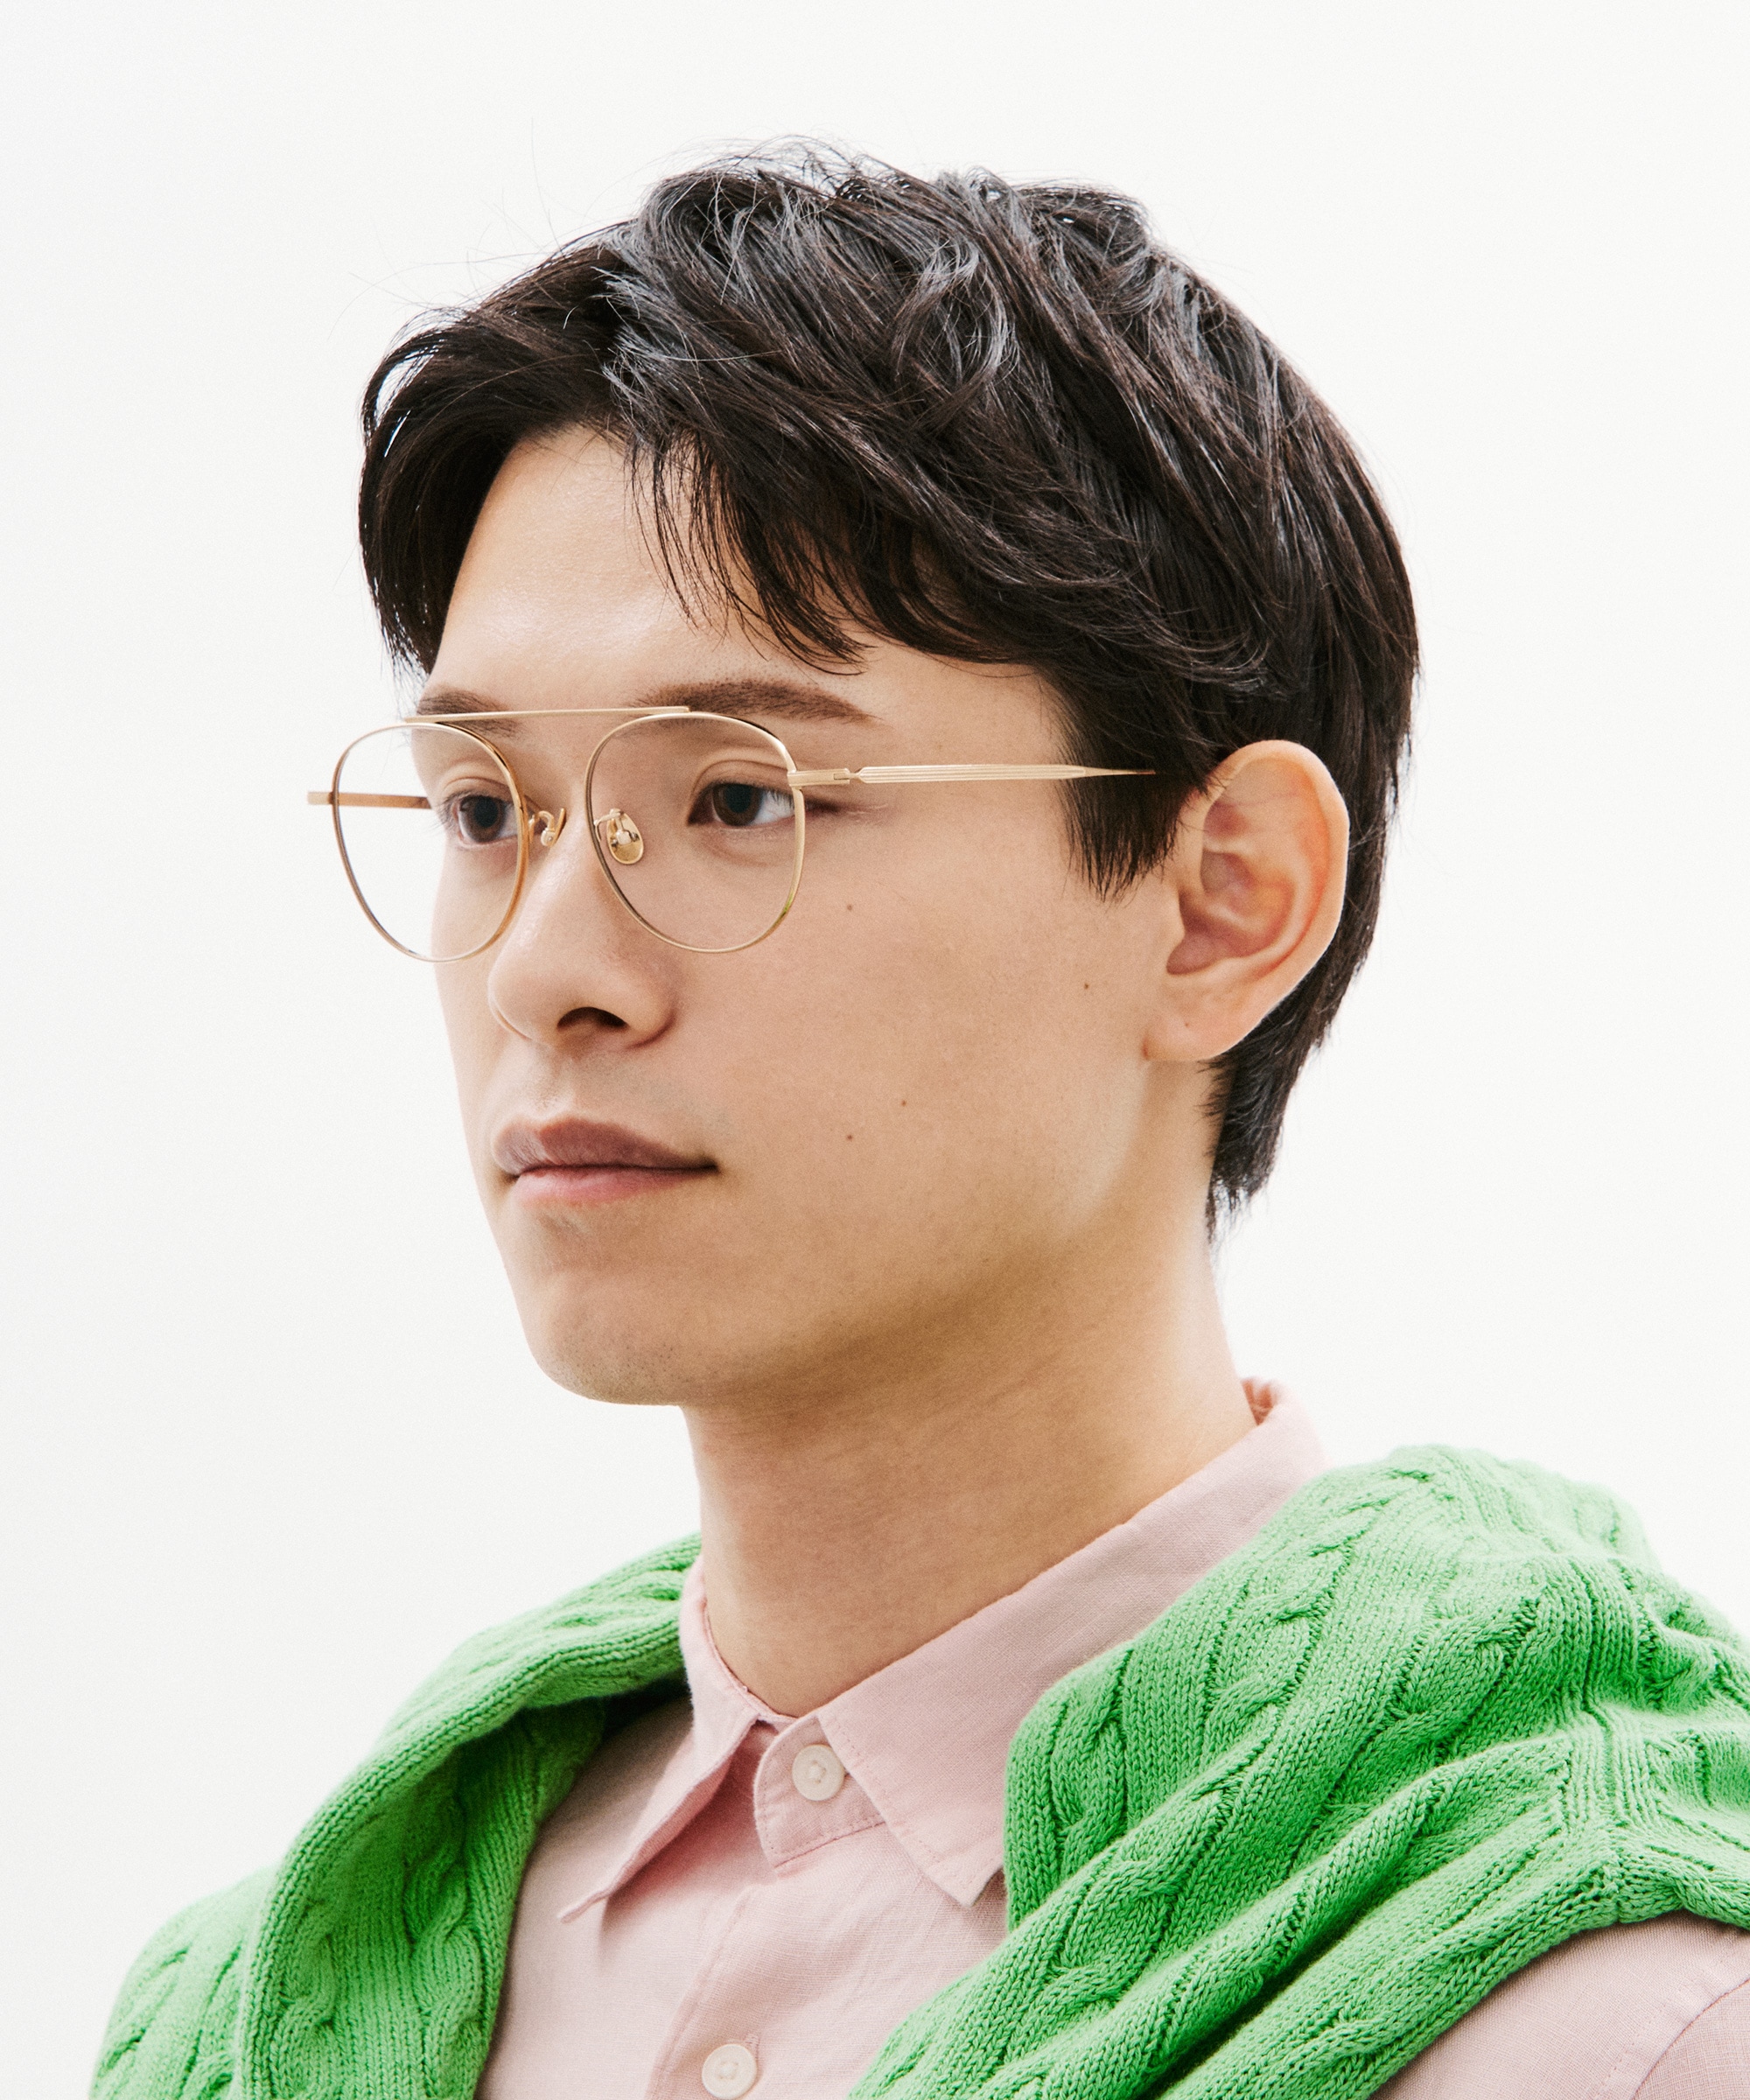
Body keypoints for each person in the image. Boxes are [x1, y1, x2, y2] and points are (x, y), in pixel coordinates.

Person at [95, 149, 1750, 2100]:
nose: (545, 969)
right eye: (482, 811)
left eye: (738, 800)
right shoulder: (252, 2008)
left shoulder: (1615, 2023)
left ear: (1222, 900)